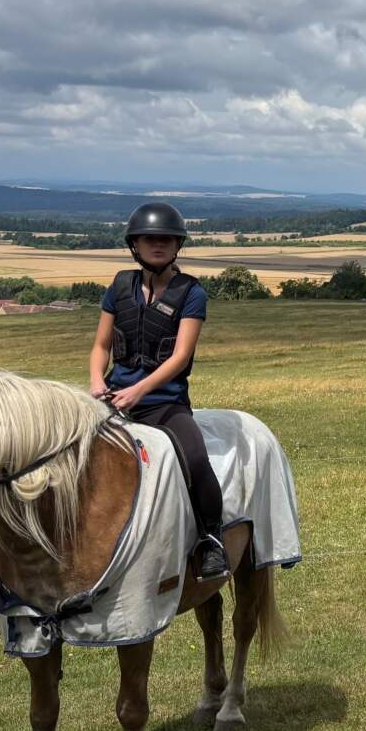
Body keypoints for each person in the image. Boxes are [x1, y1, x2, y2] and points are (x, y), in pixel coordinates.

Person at [88, 201, 230, 581]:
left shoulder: (191, 293)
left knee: (196, 459)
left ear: (177, 245)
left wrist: (139, 391)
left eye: (167, 239)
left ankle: (211, 539)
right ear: (134, 244)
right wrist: (97, 381)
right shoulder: (119, 287)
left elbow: (180, 357)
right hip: (113, 399)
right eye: (150, 239)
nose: (158, 245)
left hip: (163, 403)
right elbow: (102, 346)